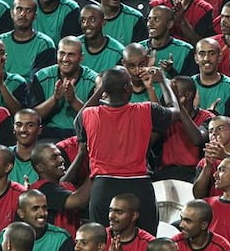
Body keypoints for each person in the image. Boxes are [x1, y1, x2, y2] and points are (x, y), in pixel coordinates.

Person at [76, 66, 179, 234]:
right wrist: (164, 83)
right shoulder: (147, 110)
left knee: (101, 243)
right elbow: (175, 111)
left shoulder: (87, 115)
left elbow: (79, 117)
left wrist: (103, 87)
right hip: (138, 187)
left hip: (102, 188)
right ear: (126, 88)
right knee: (147, 243)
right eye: (130, 82)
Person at [29, 36, 98, 138]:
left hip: (80, 136)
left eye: (71, 55)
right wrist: (55, 98)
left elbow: (95, 120)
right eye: (62, 53)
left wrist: (73, 100)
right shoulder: (42, 77)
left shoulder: (93, 81)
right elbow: (32, 117)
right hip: (48, 135)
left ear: (81, 58)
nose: (65, 59)